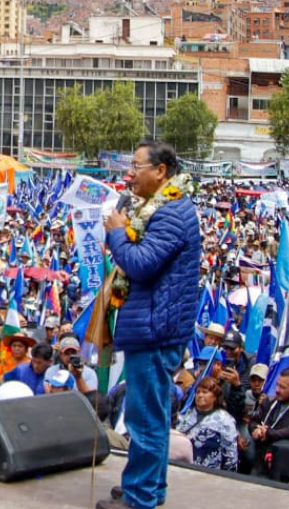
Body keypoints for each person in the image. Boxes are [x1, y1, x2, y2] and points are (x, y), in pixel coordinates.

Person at [100, 141, 201, 509]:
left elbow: (141, 264)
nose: (130, 173)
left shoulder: (171, 212)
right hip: (154, 324)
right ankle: (147, 487)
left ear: (161, 171)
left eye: (137, 166)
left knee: (145, 420)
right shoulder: (160, 208)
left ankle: (140, 497)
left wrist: (117, 233)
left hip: (156, 328)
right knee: (152, 416)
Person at [246, 367, 289, 476]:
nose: (277, 390)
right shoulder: (270, 400)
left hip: (282, 465)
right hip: (260, 458)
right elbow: (254, 420)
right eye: (277, 385)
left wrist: (270, 433)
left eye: (282, 387)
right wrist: (255, 430)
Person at [176, 377, 239, 471]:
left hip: (210, 474)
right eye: (198, 392)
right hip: (182, 469)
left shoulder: (225, 420)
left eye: (205, 392)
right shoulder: (185, 414)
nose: (200, 395)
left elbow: (231, 455)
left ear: (215, 397)